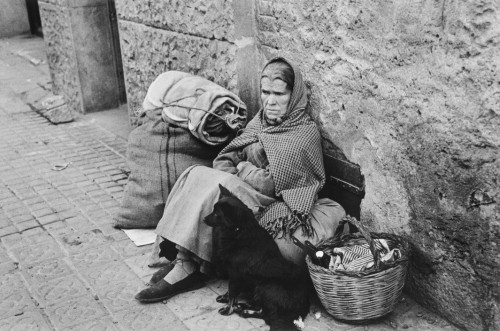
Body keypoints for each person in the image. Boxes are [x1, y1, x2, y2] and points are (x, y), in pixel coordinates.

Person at [135, 57, 345, 303]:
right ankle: (184, 257)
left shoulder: (302, 133)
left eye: (279, 94)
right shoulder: (259, 123)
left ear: (294, 95)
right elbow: (222, 160)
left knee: (219, 187)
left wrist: (242, 166)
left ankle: (189, 268)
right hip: (248, 192)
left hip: (275, 205)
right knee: (194, 173)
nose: (270, 101)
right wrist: (243, 168)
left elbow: (271, 184)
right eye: (265, 92)